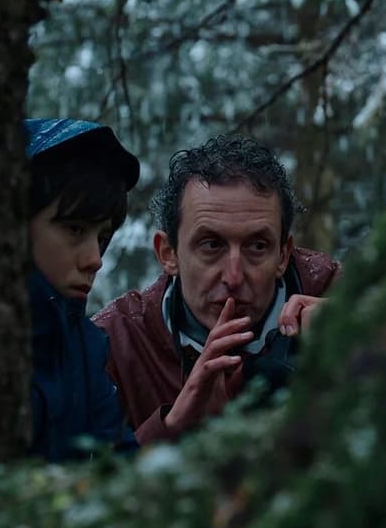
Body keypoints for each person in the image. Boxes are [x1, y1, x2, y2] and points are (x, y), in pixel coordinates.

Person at [93, 134, 341, 445]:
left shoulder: (338, 296)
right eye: (211, 245)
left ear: (283, 255)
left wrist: (358, 347)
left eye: (257, 246)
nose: (233, 277)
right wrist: (172, 425)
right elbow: (81, 472)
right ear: (168, 254)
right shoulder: (115, 344)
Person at [24, 118, 139, 462]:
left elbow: (120, 465)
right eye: (75, 229)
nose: (95, 260)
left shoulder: (84, 347)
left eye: (102, 237)